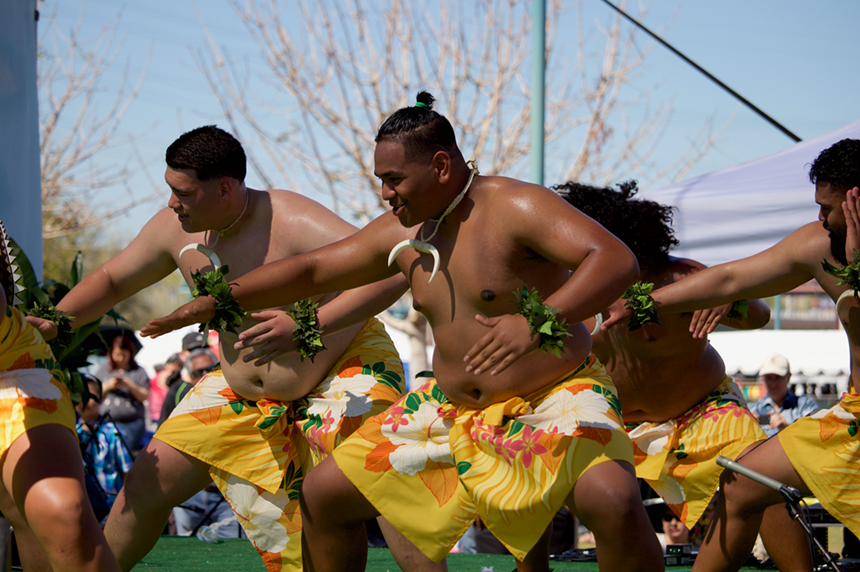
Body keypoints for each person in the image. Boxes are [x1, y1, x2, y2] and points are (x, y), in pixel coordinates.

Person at [144, 92, 664, 572]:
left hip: (555, 396)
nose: (386, 194)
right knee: (324, 494)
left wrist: (535, 322)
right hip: (450, 411)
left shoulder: (514, 205)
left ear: (440, 165)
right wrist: (215, 301)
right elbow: (313, 271)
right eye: (381, 182)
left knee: (613, 501)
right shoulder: (404, 232)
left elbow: (615, 259)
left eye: (394, 180)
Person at [26, 125, 433, 572]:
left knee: (382, 474)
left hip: (345, 364)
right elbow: (113, 280)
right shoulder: (173, 230)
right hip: (244, 389)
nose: (170, 203)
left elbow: (395, 268)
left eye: (182, 192)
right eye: (169, 189)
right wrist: (56, 321)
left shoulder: (291, 219)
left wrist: (306, 324)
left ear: (224, 189)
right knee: (147, 483)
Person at [602, 138, 860, 572]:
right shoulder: (818, 244)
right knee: (745, 483)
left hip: (708, 411)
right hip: (852, 416)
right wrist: (644, 304)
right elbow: (730, 278)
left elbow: (753, 311)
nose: (820, 217)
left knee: (745, 463)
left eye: (828, 208)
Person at [556, 182, 809, 565]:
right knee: (602, 504)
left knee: (760, 478)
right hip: (608, 424)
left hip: (701, 413)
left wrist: (730, 299)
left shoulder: (683, 278)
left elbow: (760, 314)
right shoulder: (573, 288)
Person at [0, 288, 120, 571]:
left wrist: (55, 321)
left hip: (13, 366)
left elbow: (113, 282)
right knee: (19, 508)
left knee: (61, 513)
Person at [77, 375, 135, 511]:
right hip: (85, 510)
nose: (84, 401)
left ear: (101, 398)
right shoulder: (72, 434)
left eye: (90, 396)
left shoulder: (113, 432)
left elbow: (127, 474)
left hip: (112, 509)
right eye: (80, 396)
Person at [94, 334, 150, 454]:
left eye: (123, 355)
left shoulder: (138, 372)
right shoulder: (104, 370)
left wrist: (129, 385)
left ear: (130, 354)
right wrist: (108, 386)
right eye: (117, 354)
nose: (120, 358)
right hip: (107, 423)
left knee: (124, 455)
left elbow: (145, 396)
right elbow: (94, 393)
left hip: (132, 424)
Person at [748, 353, 819, 437]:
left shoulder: (805, 405)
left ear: (788, 377)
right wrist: (746, 429)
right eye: (768, 378)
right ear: (762, 378)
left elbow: (816, 437)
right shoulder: (751, 410)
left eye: (778, 378)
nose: (773, 384)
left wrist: (787, 429)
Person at [158, 347, 217, 423]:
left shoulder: (231, 391)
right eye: (198, 372)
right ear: (191, 376)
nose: (205, 374)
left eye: (210, 369)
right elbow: (162, 428)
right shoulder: (176, 392)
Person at [148, 353, 182, 430]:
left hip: (154, 415)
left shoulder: (159, 373)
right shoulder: (168, 375)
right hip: (163, 416)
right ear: (177, 364)